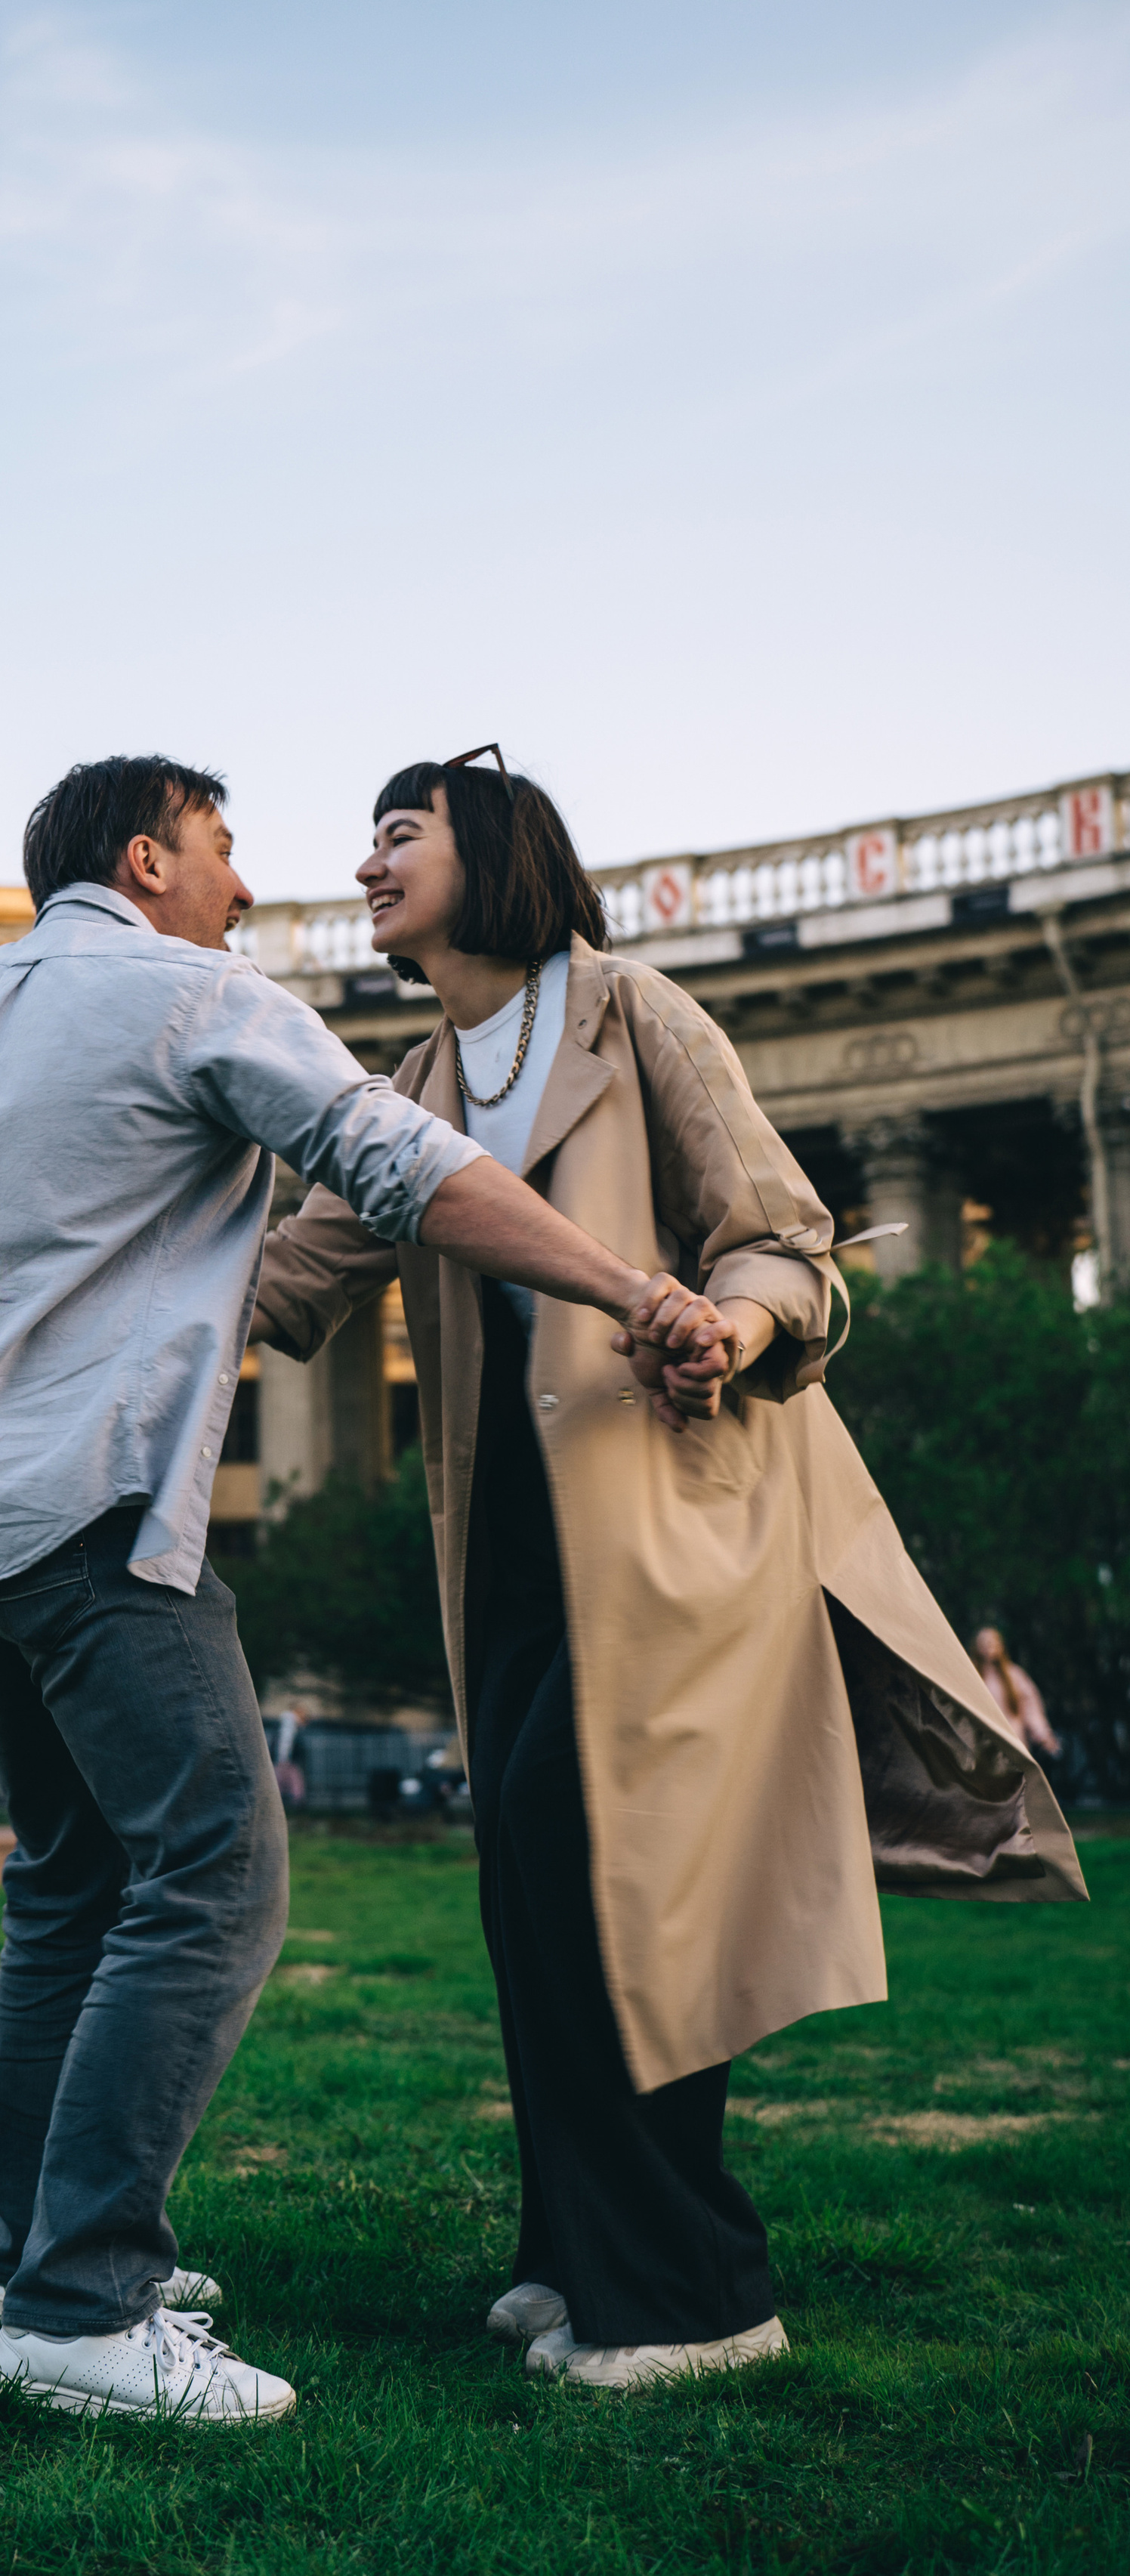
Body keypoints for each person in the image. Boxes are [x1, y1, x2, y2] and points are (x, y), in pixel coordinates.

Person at [0, 750, 725, 2426]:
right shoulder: (189, 995)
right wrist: (628, 1286)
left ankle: (27, 2248)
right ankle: (82, 2304)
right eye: (223, 848)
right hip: (91, 1506)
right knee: (215, 1872)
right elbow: (401, 1163)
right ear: (147, 859)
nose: (249, 888)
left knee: (69, 1880)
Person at [252, 747, 1088, 2393]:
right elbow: (291, 1279)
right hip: (511, 1547)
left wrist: (733, 1324)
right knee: (533, 1897)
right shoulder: (413, 1082)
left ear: (494, 853)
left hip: (672, 1530)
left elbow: (784, 1241)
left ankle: (696, 2294)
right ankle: (575, 2253)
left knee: (621, 1893)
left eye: (399, 835)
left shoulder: (635, 1015)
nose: (364, 867)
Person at [974, 1627, 1061, 1759]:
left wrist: (1043, 1735)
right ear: (977, 1647)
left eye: (992, 1641)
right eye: (984, 1642)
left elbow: (1031, 1708)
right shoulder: (974, 1678)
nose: (988, 1645)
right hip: (984, 1748)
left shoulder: (1014, 1675)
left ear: (1000, 1645)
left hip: (1014, 1744)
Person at [269, 1702, 309, 1810]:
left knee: (281, 1780)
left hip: (284, 1759)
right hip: (287, 1759)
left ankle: (279, 1803)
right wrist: (284, 1759)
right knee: (292, 1781)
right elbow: (285, 1742)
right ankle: (296, 1803)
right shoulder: (290, 1723)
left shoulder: (286, 1722)